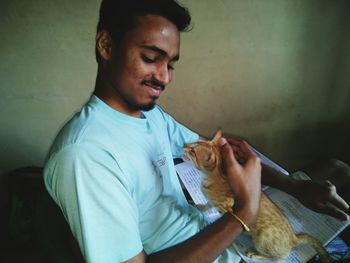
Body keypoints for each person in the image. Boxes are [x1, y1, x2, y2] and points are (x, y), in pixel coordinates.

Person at [43, 0, 350, 262]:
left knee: (335, 169)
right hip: (222, 239)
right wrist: (242, 215)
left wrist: (293, 187)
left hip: (218, 238)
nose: (164, 78)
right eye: (151, 58)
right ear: (107, 46)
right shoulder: (86, 154)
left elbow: (214, 157)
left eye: (171, 64)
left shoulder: (151, 118)